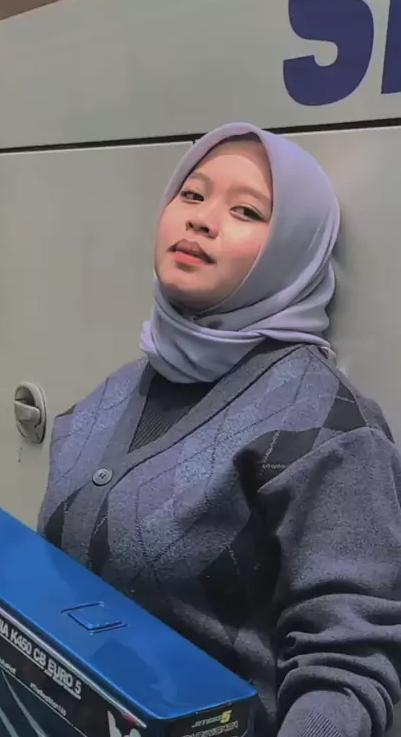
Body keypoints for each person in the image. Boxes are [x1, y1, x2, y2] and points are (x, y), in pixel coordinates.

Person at [38, 122, 401, 737]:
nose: (202, 220)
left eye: (246, 211)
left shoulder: (328, 427)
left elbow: (348, 665)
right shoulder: (112, 395)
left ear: (292, 246)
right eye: (193, 194)